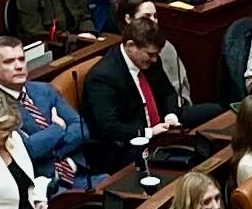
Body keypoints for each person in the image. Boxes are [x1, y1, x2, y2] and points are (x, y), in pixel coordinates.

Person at [82, 10, 202, 166]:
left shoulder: (149, 60)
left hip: (162, 127)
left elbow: (168, 92)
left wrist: (171, 115)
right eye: (150, 54)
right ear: (131, 46)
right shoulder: (103, 77)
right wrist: (149, 132)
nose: (154, 60)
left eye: (156, 54)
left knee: (215, 114)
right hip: (127, 145)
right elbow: (110, 127)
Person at [0, 36, 88, 185]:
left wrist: (52, 150)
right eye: (9, 61)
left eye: (21, 59)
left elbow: (81, 128)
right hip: (45, 188)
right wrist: (58, 128)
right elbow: (27, 151)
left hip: (79, 174)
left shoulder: (44, 89)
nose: (19, 66)